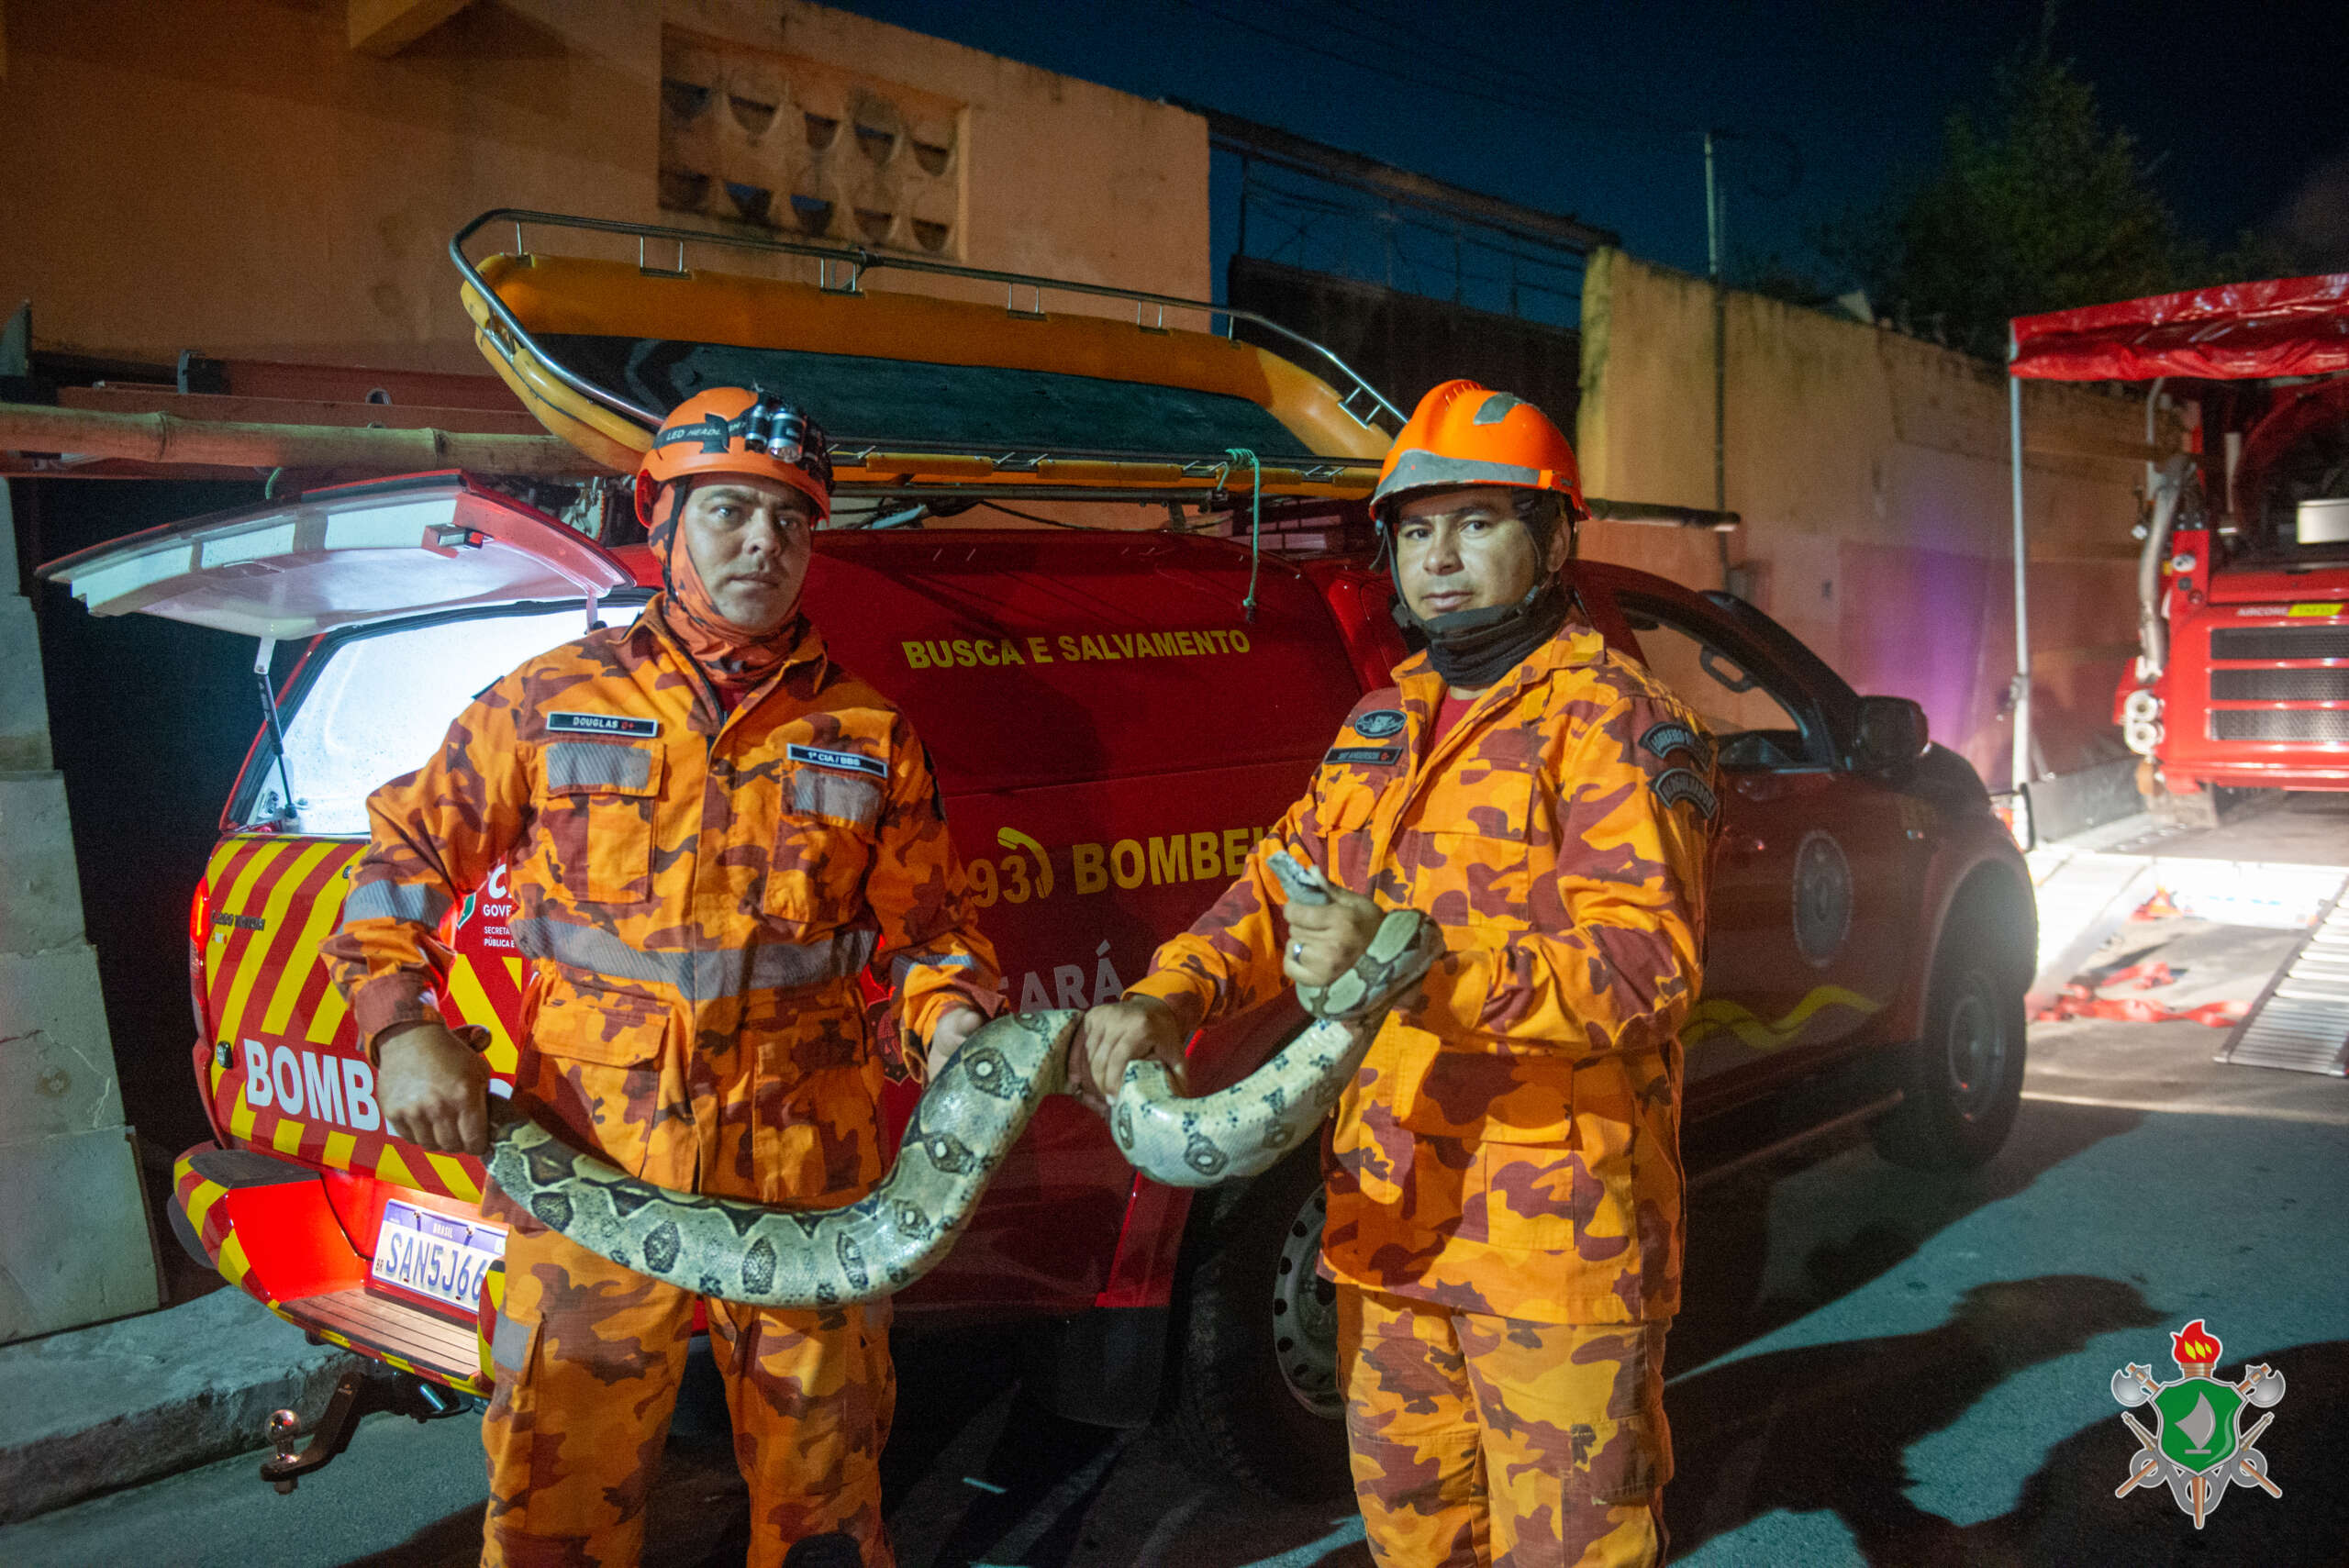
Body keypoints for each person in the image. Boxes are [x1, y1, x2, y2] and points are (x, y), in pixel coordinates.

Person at [324, 387, 999, 1568]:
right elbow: (402, 859)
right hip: (589, 1161)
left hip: (810, 1173)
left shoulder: (866, 731)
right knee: (555, 1499)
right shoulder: (550, 698)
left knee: (826, 1497)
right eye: (729, 510)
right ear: (663, 515)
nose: (762, 544)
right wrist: (398, 1023)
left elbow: (935, 933)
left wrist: (952, 1030)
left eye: (790, 522)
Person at [1074, 380, 1720, 1567]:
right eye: (1417, 531)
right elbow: (1280, 892)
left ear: (1556, 535)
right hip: (1384, 1228)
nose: (1442, 558)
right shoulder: (1383, 720)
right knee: (1415, 1540)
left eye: (1476, 522)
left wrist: (1407, 968)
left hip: (1553, 1252)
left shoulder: (1617, 725)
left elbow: (1642, 971)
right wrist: (1169, 994)